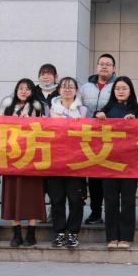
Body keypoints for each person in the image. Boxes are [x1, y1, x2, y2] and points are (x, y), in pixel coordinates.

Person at [96, 76, 138, 249]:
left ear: (130, 90)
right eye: (117, 88)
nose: (121, 91)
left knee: (128, 200)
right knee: (110, 200)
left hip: (129, 163)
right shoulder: (106, 109)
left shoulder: (137, 110)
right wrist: (98, 116)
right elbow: (94, 129)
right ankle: (112, 236)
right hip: (108, 161)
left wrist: (135, 122)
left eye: (124, 88)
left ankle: (126, 236)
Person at [0, 79, 47, 247]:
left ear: (32, 92)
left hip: (32, 158)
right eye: (20, 88)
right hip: (11, 159)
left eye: (27, 89)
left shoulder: (37, 108)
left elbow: (44, 129)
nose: (23, 91)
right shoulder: (7, 108)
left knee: (32, 195)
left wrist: (31, 122)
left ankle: (31, 233)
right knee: (13, 194)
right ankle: (17, 233)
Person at [46, 77, 89, 248]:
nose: (67, 89)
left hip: (76, 162)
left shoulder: (83, 110)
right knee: (57, 199)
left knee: (76, 199)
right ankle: (59, 232)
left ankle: (72, 232)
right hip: (55, 161)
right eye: (64, 86)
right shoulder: (50, 110)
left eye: (71, 87)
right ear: (59, 90)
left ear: (76, 90)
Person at [80, 53, 118, 226]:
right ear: (96, 67)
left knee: (109, 178)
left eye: (108, 64)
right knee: (94, 178)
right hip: (89, 137)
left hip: (111, 137)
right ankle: (95, 212)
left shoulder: (118, 85)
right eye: (101, 63)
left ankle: (111, 212)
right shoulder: (85, 88)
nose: (104, 66)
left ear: (114, 68)